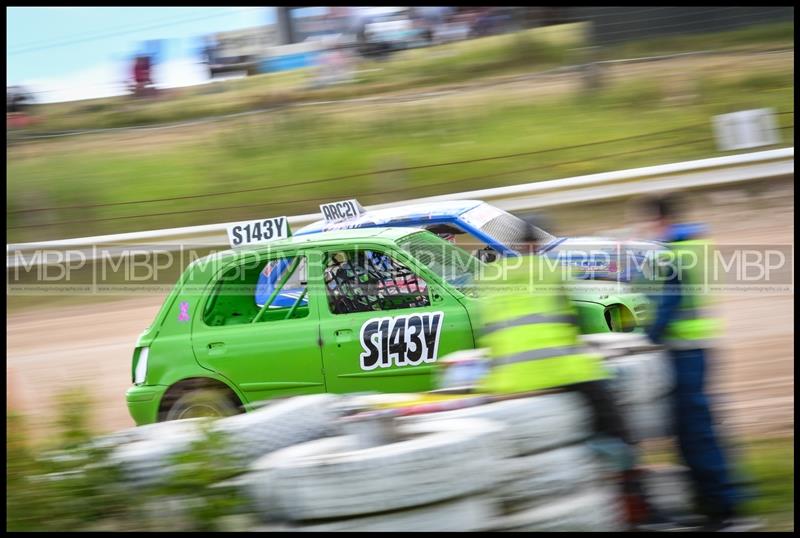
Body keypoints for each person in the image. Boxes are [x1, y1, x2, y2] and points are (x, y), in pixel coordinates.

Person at [475, 214, 668, 530]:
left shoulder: (487, 279)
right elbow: (573, 326)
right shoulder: (553, 271)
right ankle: (640, 508)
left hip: (506, 381)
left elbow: (489, 334)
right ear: (537, 246)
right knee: (619, 429)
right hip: (559, 369)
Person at [640, 194, 757, 532]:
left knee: (696, 434)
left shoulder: (673, 250)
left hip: (685, 351)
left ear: (659, 220)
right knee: (696, 431)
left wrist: (647, 337)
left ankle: (725, 512)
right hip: (697, 348)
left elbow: (669, 300)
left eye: (648, 222)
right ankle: (717, 506)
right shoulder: (692, 244)